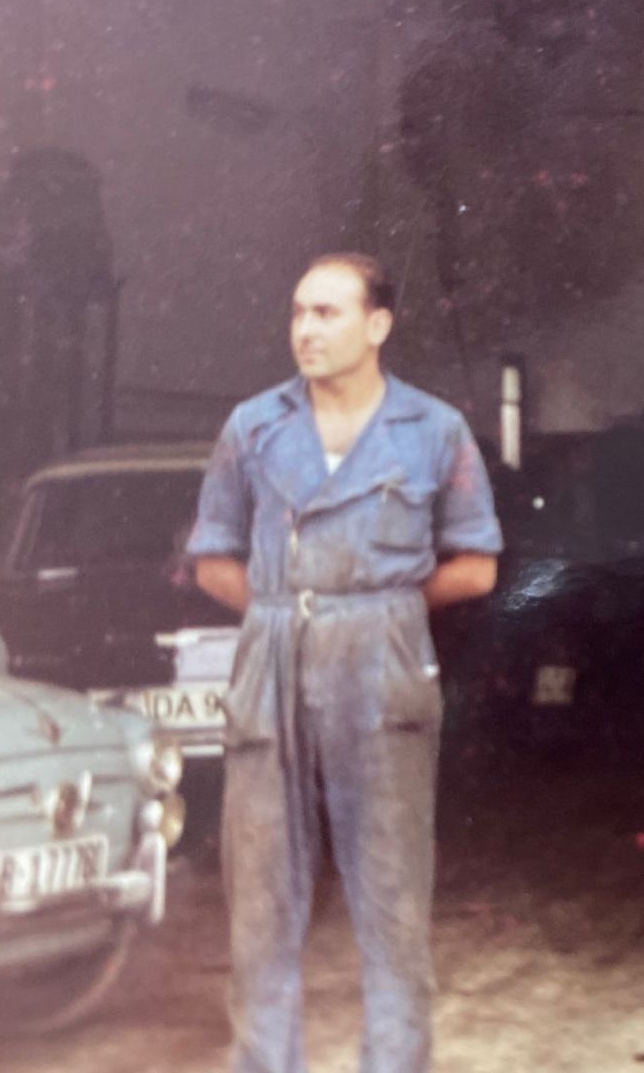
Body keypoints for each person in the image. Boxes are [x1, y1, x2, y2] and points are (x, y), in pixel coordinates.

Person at [187, 252, 502, 1073]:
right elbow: (212, 559)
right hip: (272, 664)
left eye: (327, 313)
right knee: (261, 905)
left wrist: (382, 607)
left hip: (381, 669)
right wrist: (285, 610)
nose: (306, 329)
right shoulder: (253, 426)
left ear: (377, 324)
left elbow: (477, 567)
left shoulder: (434, 430)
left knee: (392, 902)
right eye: (298, 312)